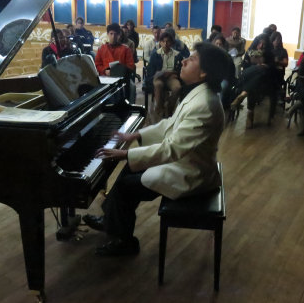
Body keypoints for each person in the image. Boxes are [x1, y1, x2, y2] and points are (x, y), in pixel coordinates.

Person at [82, 42, 231, 256]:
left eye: (193, 59)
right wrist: (137, 135)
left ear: (204, 73)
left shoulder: (205, 105)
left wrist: (125, 154)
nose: (184, 60)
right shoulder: (200, 93)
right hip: (185, 161)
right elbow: (170, 124)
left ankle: (125, 243)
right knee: (132, 169)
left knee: (126, 183)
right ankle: (111, 220)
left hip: (190, 173)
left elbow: (171, 149)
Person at [230, 34, 277, 128]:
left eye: (264, 44)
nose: (261, 46)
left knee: (257, 81)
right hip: (248, 74)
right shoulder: (250, 51)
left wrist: (266, 65)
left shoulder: (269, 54)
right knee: (258, 72)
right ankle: (249, 114)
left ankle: (243, 96)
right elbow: (244, 65)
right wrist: (253, 63)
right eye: (259, 43)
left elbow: (273, 68)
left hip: (264, 80)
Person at [145, 31, 184, 119]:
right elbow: (151, 70)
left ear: (172, 43)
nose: (165, 44)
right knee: (158, 85)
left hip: (172, 76)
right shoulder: (156, 54)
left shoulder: (177, 55)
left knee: (177, 87)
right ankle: (159, 108)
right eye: (163, 41)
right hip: (158, 76)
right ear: (160, 42)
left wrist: (171, 73)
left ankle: (169, 107)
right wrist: (158, 74)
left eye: (168, 41)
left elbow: (180, 70)